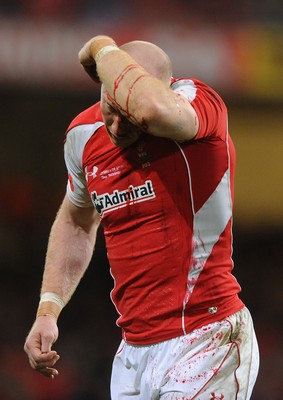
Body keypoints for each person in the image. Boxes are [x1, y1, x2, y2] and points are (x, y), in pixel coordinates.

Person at [24, 35, 259, 399]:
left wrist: (101, 47)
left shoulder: (198, 104)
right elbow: (77, 219)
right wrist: (48, 310)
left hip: (207, 339)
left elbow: (149, 106)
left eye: (127, 114)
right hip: (134, 354)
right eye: (110, 110)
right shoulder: (83, 136)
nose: (117, 127)